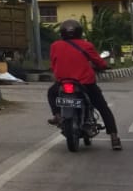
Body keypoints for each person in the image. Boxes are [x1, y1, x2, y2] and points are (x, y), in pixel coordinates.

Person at [47, 19, 121, 150]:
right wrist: (104, 66)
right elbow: (99, 62)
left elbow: (53, 64)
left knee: (51, 93)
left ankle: (57, 115)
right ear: (79, 32)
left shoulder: (55, 46)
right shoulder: (86, 45)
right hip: (85, 84)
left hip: (63, 83)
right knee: (103, 108)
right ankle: (114, 137)